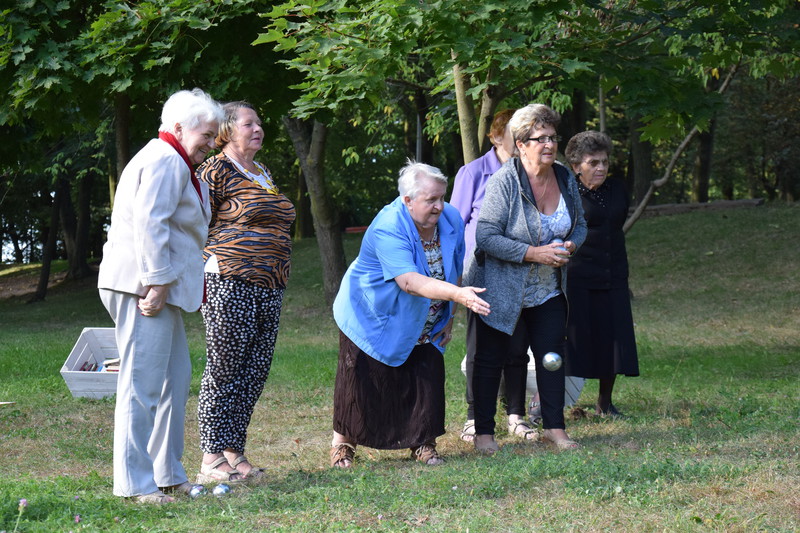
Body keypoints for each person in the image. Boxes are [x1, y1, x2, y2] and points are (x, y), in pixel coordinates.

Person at [97, 88, 224, 504]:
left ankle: (167, 473)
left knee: (174, 379)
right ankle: (134, 484)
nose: (211, 143)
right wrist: (157, 282)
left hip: (156, 285)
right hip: (143, 285)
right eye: (206, 134)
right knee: (143, 385)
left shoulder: (175, 160)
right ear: (178, 127)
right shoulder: (165, 159)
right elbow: (151, 224)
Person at [329, 160, 490, 468]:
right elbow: (408, 281)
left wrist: (451, 313)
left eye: (442, 197)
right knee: (360, 381)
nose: (440, 206)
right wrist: (457, 295)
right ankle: (343, 445)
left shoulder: (451, 219)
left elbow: (453, 267)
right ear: (408, 200)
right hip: (374, 313)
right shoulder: (389, 225)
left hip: (428, 314)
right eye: (431, 200)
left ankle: (423, 444)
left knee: (425, 376)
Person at [465, 103, 587, 454]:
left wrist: (570, 244)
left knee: (551, 354)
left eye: (552, 137)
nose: (549, 145)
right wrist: (534, 253)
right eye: (540, 138)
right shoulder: (505, 180)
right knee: (491, 358)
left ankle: (554, 428)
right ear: (520, 144)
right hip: (500, 286)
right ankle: (484, 433)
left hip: (547, 288)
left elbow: (579, 223)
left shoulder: (564, 176)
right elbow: (485, 237)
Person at [195, 102, 296, 484]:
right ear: (226, 130)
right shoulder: (214, 169)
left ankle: (234, 452)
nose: (258, 129)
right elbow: (196, 223)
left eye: (260, 122)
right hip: (228, 280)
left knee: (254, 370)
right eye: (248, 123)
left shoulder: (262, 172)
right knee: (225, 368)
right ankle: (210, 456)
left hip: (270, 282)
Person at [450, 109, 537, 443]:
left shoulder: (529, 173)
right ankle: (475, 418)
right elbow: (455, 225)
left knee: (518, 346)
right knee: (481, 347)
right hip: (482, 273)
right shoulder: (473, 172)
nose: (519, 142)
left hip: (521, 271)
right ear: (495, 136)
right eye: (514, 135)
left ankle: (516, 415)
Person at [564, 131, 639, 417]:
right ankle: (552, 402)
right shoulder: (566, 192)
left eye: (605, 162)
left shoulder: (617, 189)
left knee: (614, 338)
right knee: (575, 341)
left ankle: (604, 403)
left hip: (614, 273)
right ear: (576, 165)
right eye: (593, 162)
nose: (601, 168)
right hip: (578, 276)